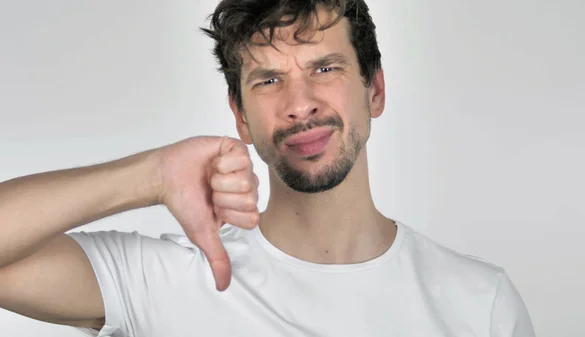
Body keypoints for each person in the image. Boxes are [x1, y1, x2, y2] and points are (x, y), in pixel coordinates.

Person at [0, 0, 535, 336]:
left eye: (324, 68)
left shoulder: (478, 303)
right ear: (240, 116)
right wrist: (151, 176)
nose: (299, 104)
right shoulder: (166, 283)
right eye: (268, 80)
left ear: (374, 89)